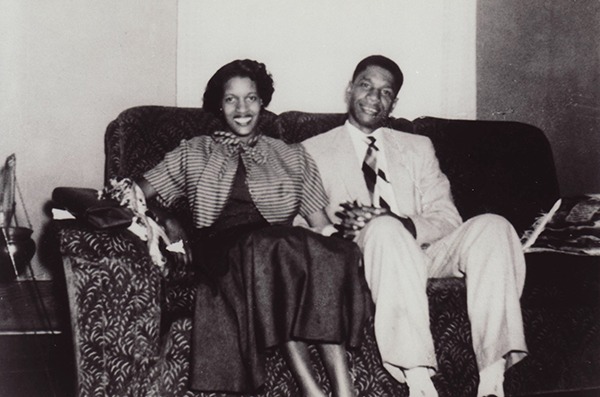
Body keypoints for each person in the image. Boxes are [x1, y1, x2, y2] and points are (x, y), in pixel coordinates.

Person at [135, 59, 370, 397]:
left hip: (276, 253)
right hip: (222, 250)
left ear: (263, 102)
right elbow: (134, 192)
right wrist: (165, 217)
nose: (242, 108)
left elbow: (321, 225)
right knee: (278, 252)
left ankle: (340, 392)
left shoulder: (292, 155)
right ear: (219, 104)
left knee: (323, 253)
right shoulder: (194, 150)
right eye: (231, 99)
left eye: (251, 98)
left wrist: (347, 250)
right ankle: (313, 390)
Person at [301, 55, 528, 397]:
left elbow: (448, 218)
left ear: (394, 102)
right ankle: (418, 378)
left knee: (494, 227)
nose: (374, 98)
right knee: (384, 230)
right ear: (349, 89)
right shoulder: (311, 151)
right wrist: (345, 233)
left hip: (426, 251)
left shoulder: (418, 147)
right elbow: (299, 227)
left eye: (385, 92)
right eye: (366, 86)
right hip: (367, 260)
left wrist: (401, 222)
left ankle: (493, 378)